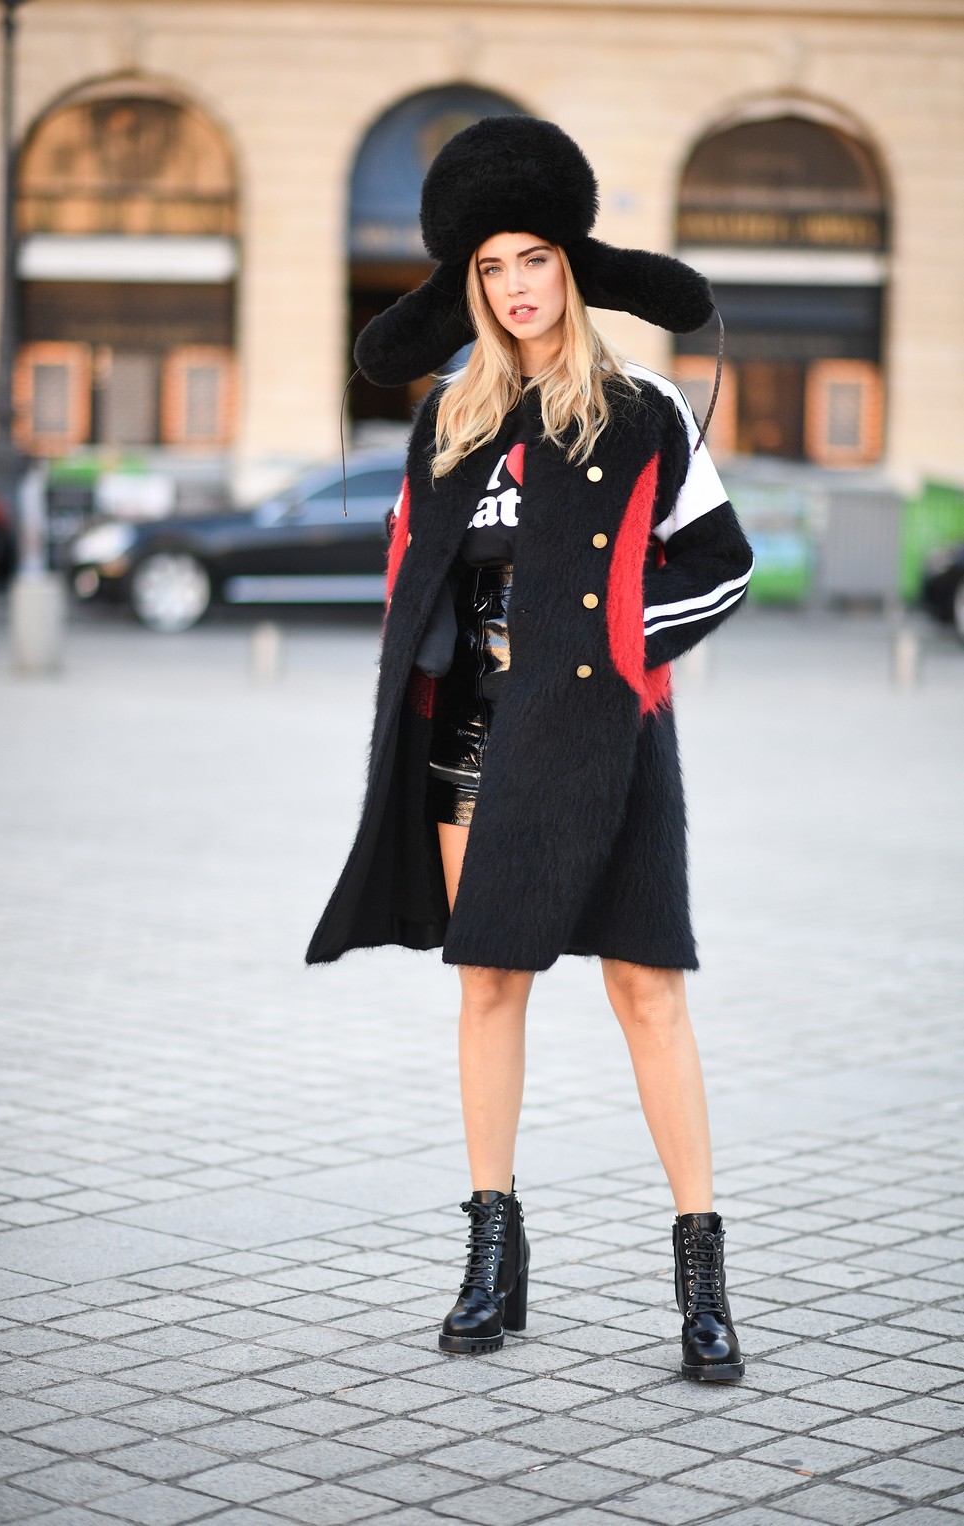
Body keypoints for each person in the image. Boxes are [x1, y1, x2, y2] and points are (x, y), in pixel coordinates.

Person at [308, 117, 754, 1383]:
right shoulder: (448, 422)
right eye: (493, 266)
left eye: (535, 258)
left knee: (645, 990)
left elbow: (722, 565)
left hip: (608, 736)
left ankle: (703, 1273)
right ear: (472, 284)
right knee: (489, 983)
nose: (515, 285)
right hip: (471, 744)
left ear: (571, 265)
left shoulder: (642, 409)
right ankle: (493, 1253)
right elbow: (416, 577)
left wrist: (619, 647)